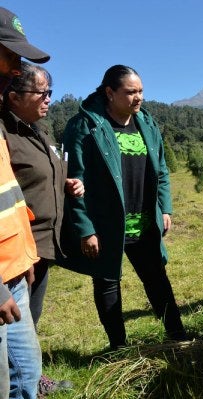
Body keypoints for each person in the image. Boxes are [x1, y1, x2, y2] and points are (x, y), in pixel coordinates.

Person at [61, 65, 186, 349]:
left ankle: (177, 335)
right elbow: (73, 180)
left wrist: (164, 208)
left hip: (143, 222)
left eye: (141, 91)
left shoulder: (147, 124)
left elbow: (162, 170)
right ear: (110, 92)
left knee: (157, 279)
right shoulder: (86, 126)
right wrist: (85, 228)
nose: (138, 97)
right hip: (105, 224)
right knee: (107, 284)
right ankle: (119, 346)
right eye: (130, 92)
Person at [1, 63, 80, 396]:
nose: (49, 99)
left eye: (51, 91)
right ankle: (24, 380)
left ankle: (31, 377)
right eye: (42, 93)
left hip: (44, 244)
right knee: (19, 320)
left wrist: (67, 183)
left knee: (31, 319)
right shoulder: (6, 133)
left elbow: (43, 174)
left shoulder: (40, 130)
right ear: (15, 96)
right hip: (18, 247)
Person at [0, 6, 50, 399]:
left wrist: (27, 252)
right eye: (8, 54)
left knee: (27, 381)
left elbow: (10, 197)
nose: (16, 67)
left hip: (15, 270)